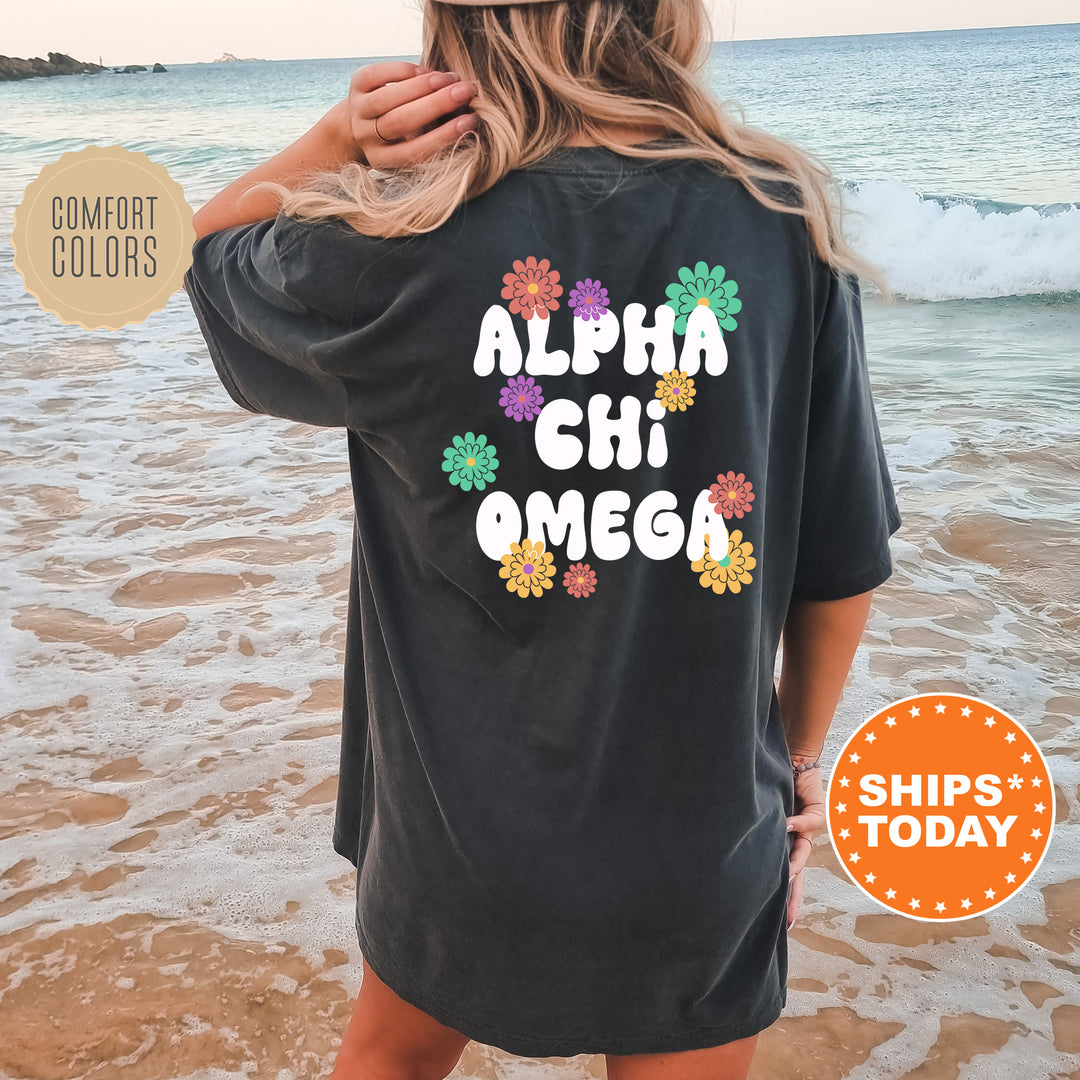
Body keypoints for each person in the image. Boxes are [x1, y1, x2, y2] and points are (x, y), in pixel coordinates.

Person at [182, 0, 903, 1076]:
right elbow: (841, 561)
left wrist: (338, 140)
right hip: (700, 836)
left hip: (456, 837)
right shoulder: (778, 219)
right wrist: (799, 763)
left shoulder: (395, 236)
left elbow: (202, 253)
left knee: (389, 1059)